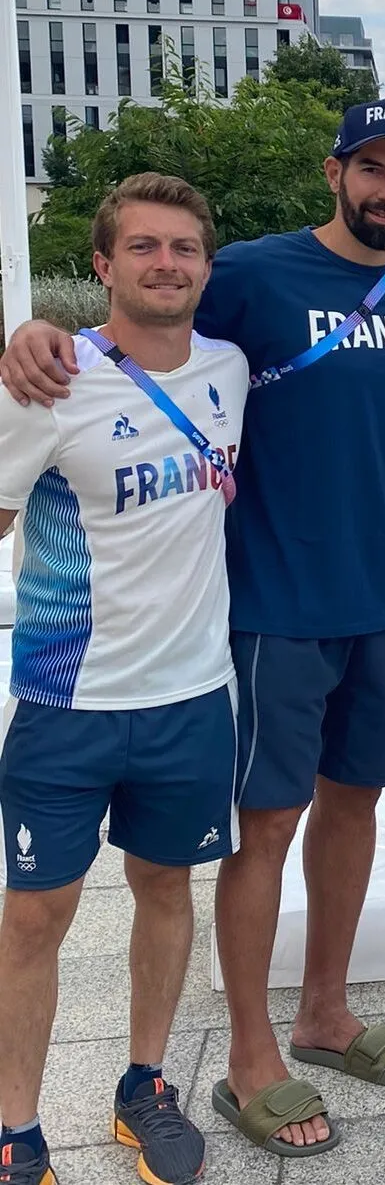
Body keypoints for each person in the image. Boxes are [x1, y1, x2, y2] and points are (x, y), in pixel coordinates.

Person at [0, 99, 385, 1155]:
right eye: (368, 167)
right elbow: (144, 333)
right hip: (274, 604)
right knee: (266, 824)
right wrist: (34, 335)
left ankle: (325, 1008)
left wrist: (373, 490)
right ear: (334, 174)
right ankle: (247, 1051)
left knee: (357, 804)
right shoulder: (251, 272)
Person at [0, 174, 247, 1185]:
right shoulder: (45, 382)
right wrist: (22, 335)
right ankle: (16, 1129)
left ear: (205, 267)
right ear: (103, 264)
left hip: (192, 696)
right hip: (68, 702)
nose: (165, 263)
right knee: (32, 917)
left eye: (184, 248)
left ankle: (143, 1083)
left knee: (166, 888)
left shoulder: (230, 367)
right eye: (142, 247)